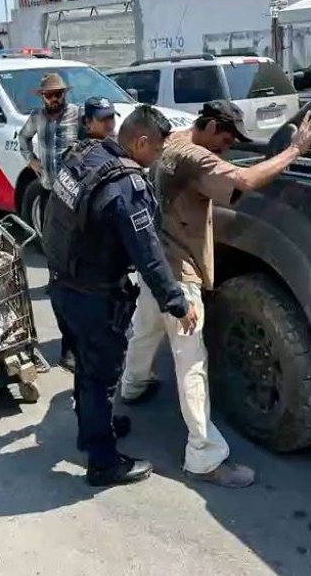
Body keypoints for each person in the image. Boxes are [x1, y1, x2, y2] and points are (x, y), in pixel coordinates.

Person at [118, 99, 311, 489]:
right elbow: (244, 182)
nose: (227, 146)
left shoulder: (172, 141)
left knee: (144, 332)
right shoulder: (196, 158)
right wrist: (296, 150)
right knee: (192, 363)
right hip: (179, 275)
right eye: (226, 138)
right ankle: (203, 457)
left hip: (154, 263)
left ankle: (133, 384)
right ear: (209, 127)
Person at [43, 105, 199, 488]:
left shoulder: (85, 156)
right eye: (158, 151)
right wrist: (177, 303)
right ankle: (103, 461)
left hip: (63, 284)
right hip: (94, 297)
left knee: (86, 367)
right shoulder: (125, 186)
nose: (158, 158)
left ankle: (95, 428)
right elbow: (148, 254)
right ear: (141, 142)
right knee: (101, 377)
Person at [53, 95, 119, 374]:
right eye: (102, 119)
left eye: (111, 117)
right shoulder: (82, 156)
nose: (109, 123)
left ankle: (76, 353)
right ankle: (74, 353)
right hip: (70, 243)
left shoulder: (102, 151)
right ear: (87, 122)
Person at [17, 72, 83, 196]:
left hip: (71, 187)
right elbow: (23, 137)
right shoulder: (37, 116)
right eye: (49, 95)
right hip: (47, 185)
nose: (54, 99)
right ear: (42, 97)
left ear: (64, 95)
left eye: (57, 94)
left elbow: (91, 142)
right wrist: (31, 159)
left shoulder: (77, 114)